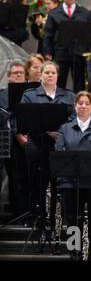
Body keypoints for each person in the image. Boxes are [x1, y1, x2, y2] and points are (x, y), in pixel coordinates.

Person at [55, 91, 91, 261]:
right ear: (75, 106)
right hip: (70, 183)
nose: (83, 106)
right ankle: (74, 254)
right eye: (80, 103)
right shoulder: (65, 129)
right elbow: (59, 152)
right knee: (73, 221)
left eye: (86, 103)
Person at [20, 61, 75, 235]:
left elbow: (73, 120)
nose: (50, 75)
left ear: (58, 76)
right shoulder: (30, 95)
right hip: (37, 146)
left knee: (58, 186)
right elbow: (24, 119)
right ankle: (37, 220)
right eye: (47, 72)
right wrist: (46, 130)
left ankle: (56, 222)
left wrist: (59, 133)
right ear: (41, 75)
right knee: (37, 185)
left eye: (53, 72)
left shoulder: (68, 96)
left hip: (59, 148)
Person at [43, 0, 91, 92]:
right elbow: (48, 34)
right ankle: (59, 103)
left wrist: (89, 50)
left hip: (79, 53)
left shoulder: (84, 13)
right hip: (61, 52)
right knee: (60, 80)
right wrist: (48, 52)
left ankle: (78, 104)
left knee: (79, 81)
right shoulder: (54, 13)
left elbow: (89, 33)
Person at [0, 61, 28, 221]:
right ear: (9, 76)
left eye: (21, 73)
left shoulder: (31, 93)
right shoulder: (2, 94)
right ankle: (19, 214)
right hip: (9, 143)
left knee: (28, 179)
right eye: (15, 73)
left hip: (29, 142)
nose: (18, 75)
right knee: (14, 179)